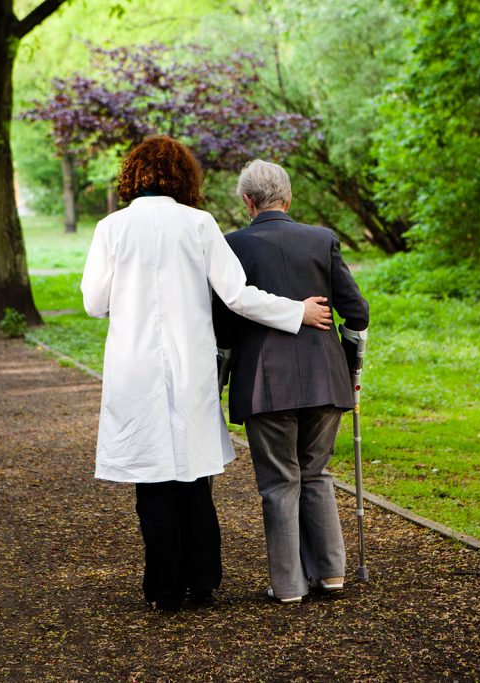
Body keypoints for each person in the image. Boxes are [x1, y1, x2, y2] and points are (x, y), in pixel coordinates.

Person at [80, 137, 333, 612]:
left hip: (135, 367)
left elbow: (94, 303)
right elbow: (237, 295)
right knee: (194, 476)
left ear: (133, 175)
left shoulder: (110, 228)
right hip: (190, 364)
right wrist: (296, 312)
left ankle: (164, 589)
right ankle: (203, 580)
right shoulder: (199, 224)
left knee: (152, 479)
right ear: (184, 177)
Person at [213, 159, 370, 604]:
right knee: (316, 472)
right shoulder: (322, 239)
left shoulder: (232, 247)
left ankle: (287, 586)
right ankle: (331, 573)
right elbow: (356, 312)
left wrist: (221, 373)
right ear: (289, 197)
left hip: (265, 384)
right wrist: (349, 360)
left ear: (247, 201)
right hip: (326, 378)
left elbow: (224, 322)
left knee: (280, 481)